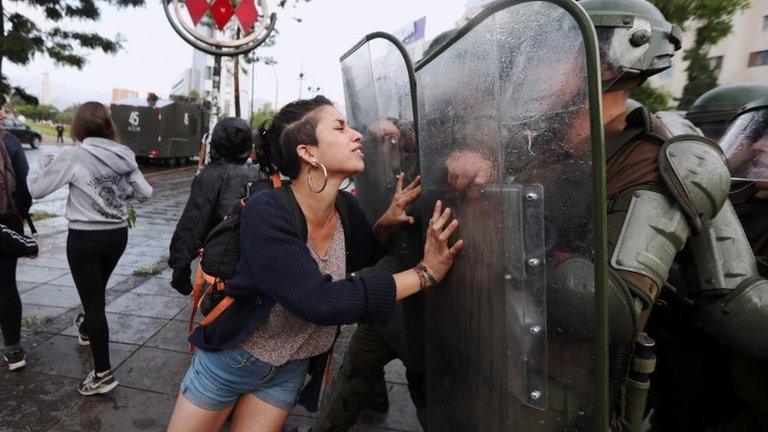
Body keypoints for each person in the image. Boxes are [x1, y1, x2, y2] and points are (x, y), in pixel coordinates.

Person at [166, 96, 463, 432]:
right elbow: (319, 301)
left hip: (290, 368)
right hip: (233, 361)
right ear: (308, 152)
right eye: (340, 127)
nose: (356, 136)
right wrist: (424, 273)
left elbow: (361, 255)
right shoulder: (267, 212)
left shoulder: (345, 210)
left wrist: (386, 221)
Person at [27, 101, 152, 395]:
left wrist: (39, 164)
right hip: (117, 236)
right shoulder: (125, 155)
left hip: (85, 238)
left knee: (94, 303)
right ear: (109, 125)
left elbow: (36, 190)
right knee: (94, 294)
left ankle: (102, 374)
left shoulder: (74, 155)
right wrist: (120, 193)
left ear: (78, 127)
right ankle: (85, 327)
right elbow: (145, 192)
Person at [169, 117, 263, 297]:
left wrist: (179, 270)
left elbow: (191, 225)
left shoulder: (209, 176)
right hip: (255, 266)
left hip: (220, 269)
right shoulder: (259, 173)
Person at [0, 127, 33, 371]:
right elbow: (24, 184)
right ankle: (13, 350)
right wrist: (21, 212)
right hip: (6, 221)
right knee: (6, 283)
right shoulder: (8, 140)